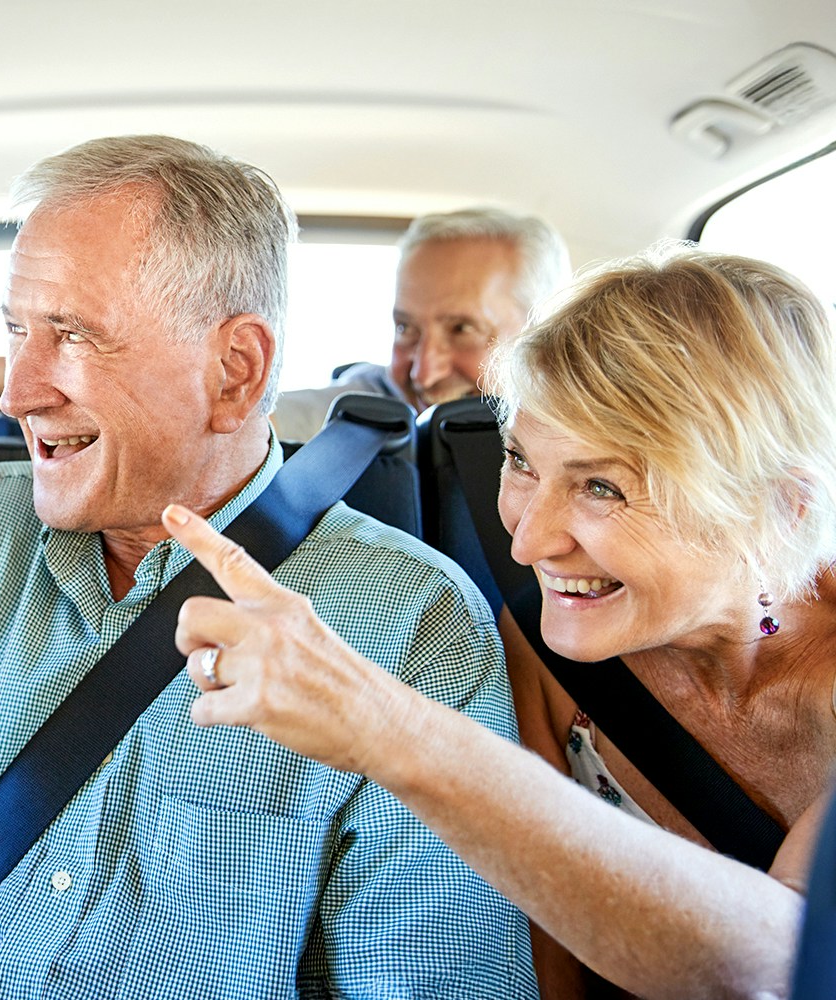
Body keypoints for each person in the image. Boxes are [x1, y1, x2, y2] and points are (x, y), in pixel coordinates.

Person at [0, 135, 535, 997]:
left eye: (72, 335)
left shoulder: (413, 625)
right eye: (17, 330)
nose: (16, 391)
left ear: (234, 373)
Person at [163, 247, 836, 999]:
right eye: (521, 461)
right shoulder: (546, 652)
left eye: (602, 486)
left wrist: (383, 725)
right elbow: (544, 957)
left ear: (782, 510)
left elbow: (789, 964)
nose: (526, 542)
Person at [0, 205, 570, 446]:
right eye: (405, 327)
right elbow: (190, 412)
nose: (423, 364)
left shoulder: (597, 450)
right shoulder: (346, 420)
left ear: (543, 329)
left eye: (463, 330)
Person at [269, 206, 571, 439]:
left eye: (461, 329)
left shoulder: (582, 432)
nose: (423, 374)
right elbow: (274, 423)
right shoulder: (371, 405)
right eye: (406, 328)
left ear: (544, 337)